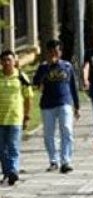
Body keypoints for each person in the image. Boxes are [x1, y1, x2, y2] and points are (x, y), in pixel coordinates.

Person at [32, 39, 80, 174]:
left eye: (57, 51)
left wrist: (77, 105)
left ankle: (66, 161)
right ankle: (54, 160)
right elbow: (36, 83)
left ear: (61, 52)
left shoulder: (67, 66)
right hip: (48, 104)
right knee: (49, 134)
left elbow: (73, 87)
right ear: (47, 53)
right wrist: (47, 66)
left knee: (67, 129)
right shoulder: (43, 67)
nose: (54, 54)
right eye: (51, 51)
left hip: (65, 102)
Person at [0, 50, 32, 185]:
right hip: (0, 119)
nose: (7, 62)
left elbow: (28, 97)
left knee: (13, 146)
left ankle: (13, 171)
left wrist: (27, 116)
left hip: (15, 118)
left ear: (15, 61)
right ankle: (7, 172)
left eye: (9, 60)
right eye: (4, 60)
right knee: (2, 148)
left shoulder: (21, 77)